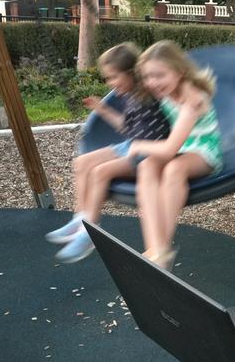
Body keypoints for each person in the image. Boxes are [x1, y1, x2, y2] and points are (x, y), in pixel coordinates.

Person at [45, 42, 171, 263]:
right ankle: (80, 219)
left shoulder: (149, 92)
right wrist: (102, 109)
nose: (110, 84)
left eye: (114, 77)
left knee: (100, 172)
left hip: (148, 154)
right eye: (107, 79)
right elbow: (127, 127)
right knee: (82, 163)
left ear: (132, 72)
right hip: (131, 145)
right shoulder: (129, 95)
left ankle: (89, 234)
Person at [127, 40, 222, 270]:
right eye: (148, 76)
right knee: (146, 167)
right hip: (181, 148)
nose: (152, 82)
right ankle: (154, 247)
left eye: (160, 75)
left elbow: (169, 149)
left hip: (204, 151)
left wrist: (139, 145)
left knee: (173, 169)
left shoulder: (192, 98)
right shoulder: (164, 91)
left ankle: (162, 250)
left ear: (179, 72)